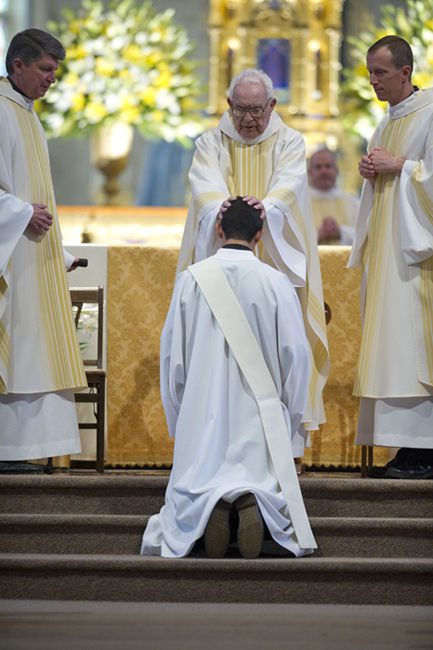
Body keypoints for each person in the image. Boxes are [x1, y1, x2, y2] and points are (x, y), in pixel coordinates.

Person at [141, 197, 316, 558]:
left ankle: (212, 504)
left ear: (219, 230)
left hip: (203, 413)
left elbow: (173, 358)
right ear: (260, 235)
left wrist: (181, 415)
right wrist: (289, 416)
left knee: (202, 472)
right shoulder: (276, 282)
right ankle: (250, 498)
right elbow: (295, 356)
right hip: (260, 418)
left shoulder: (192, 280)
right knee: (259, 471)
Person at [177, 68, 329, 444]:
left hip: (273, 266)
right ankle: (217, 437)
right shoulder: (210, 143)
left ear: (272, 106)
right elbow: (204, 188)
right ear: (229, 106)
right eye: (240, 110)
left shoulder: (290, 141)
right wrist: (223, 210)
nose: (248, 119)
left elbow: (290, 186)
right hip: (223, 265)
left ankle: (284, 442)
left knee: (279, 347)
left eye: (257, 110)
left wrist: (267, 209)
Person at [0, 29, 86, 472]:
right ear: (18, 65)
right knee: (18, 350)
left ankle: (24, 451)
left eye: (55, 71)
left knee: (36, 350)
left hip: (30, 254)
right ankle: (7, 451)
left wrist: (57, 251)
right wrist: (18, 213)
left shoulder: (28, 114)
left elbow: (36, 192)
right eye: (46, 69)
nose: (52, 78)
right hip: (9, 261)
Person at [348, 35, 433, 479]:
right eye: (369, 73)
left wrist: (400, 168)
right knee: (392, 349)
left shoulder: (432, 112)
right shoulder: (385, 123)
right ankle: (407, 450)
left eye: (380, 73)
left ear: (405, 72)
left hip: (418, 262)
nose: (373, 81)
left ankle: (426, 452)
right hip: (388, 255)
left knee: (413, 352)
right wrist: (372, 173)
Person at [308, 147, 359, 245]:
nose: (324, 171)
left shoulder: (353, 203)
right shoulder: (299, 203)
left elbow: (365, 236)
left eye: (328, 166)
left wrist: (340, 232)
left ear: (337, 170)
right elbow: (291, 239)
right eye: (318, 167)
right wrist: (317, 235)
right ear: (309, 172)